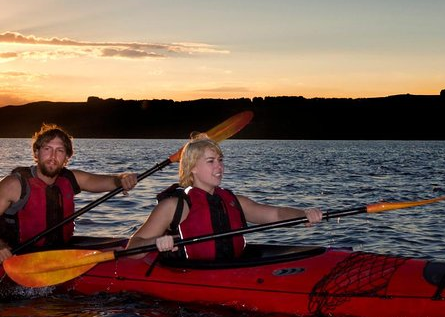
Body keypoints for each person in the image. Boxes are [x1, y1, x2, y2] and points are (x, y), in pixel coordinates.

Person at [126, 134, 323, 260]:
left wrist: (302, 214)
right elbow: (133, 247)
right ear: (192, 167)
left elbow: (276, 214)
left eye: (220, 160)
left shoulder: (235, 201)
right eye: (211, 161)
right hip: (192, 278)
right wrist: (157, 242)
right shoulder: (174, 205)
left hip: (232, 270)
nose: (219, 167)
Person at [0, 123, 138, 263]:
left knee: (123, 245)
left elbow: (105, 181)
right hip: (17, 258)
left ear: (67, 157)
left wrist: (122, 179)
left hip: (59, 253)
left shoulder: (70, 179)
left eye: (60, 150)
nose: (53, 156)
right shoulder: (14, 184)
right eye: (47, 149)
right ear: (36, 153)